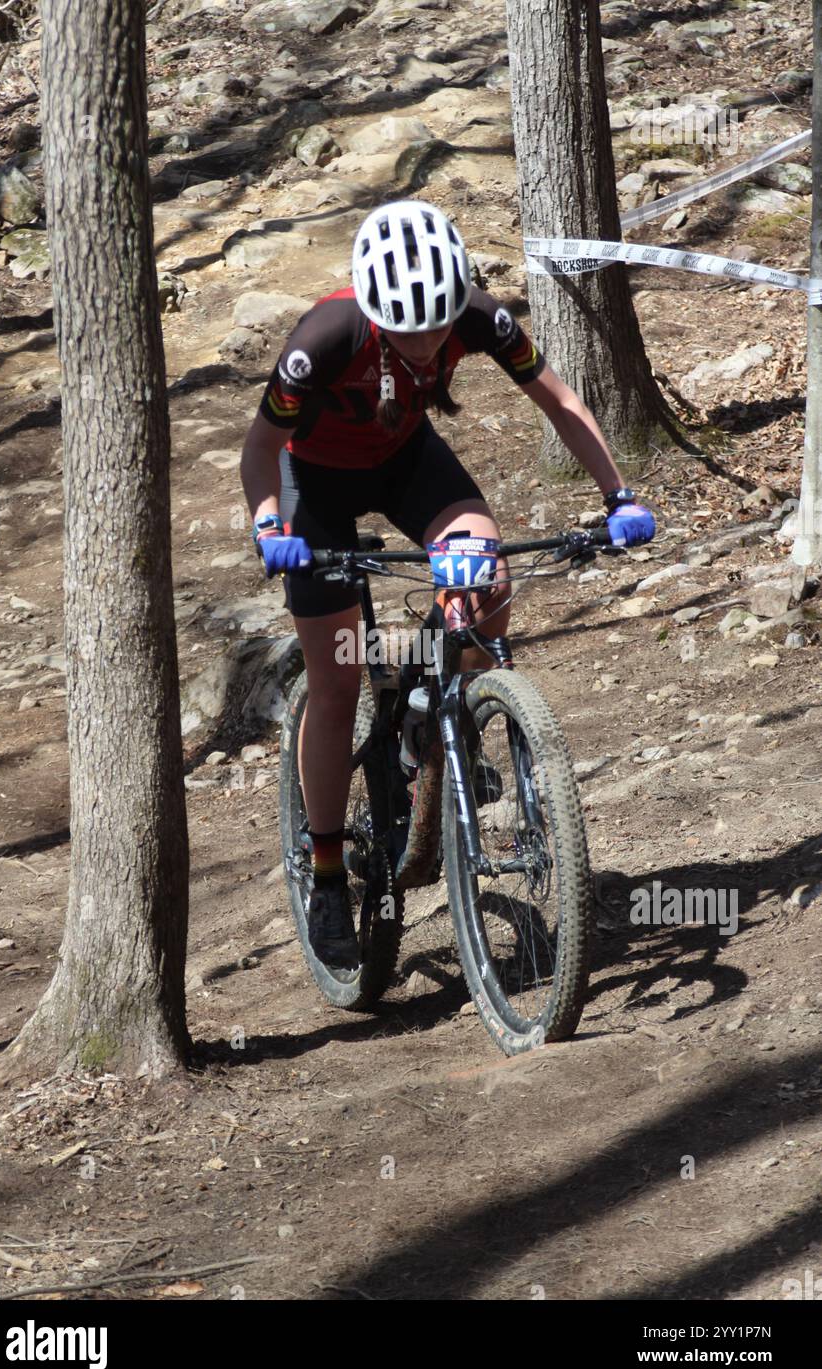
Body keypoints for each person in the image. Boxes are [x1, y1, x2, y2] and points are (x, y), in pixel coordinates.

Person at [240, 199, 654, 971]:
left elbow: (559, 401)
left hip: (405, 463)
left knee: (486, 577)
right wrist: (272, 529)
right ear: (374, 310)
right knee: (337, 680)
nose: (428, 343)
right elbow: (260, 449)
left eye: (437, 325)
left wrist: (617, 495)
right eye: (409, 330)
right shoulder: (323, 340)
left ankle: (453, 709)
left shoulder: (480, 318)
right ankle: (327, 870)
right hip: (314, 488)